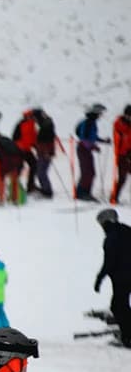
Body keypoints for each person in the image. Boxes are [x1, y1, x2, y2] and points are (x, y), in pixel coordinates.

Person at [95, 208, 131, 347]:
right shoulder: (127, 230)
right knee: (122, 306)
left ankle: (128, 337)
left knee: (118, 306)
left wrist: (99, 279)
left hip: (122, 278)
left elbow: (109, 262)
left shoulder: (111, 238)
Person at [75, 104, 108, 201]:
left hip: (86, 150)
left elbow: (92, 137)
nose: (100, 115)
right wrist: (93, 146)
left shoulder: (92, 123)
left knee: (91, 172)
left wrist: (103, 141)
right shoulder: (88, 123)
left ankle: (86, 192)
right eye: (100, 113)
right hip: (83, 149)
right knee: (87, 172)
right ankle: (81, 193)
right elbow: (84, 138)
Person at [114, 105, 131, 204]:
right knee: (122, 178)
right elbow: (120, 139)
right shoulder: (119, 123)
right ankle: (115, 196)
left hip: (129, 154)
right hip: (122, 155)